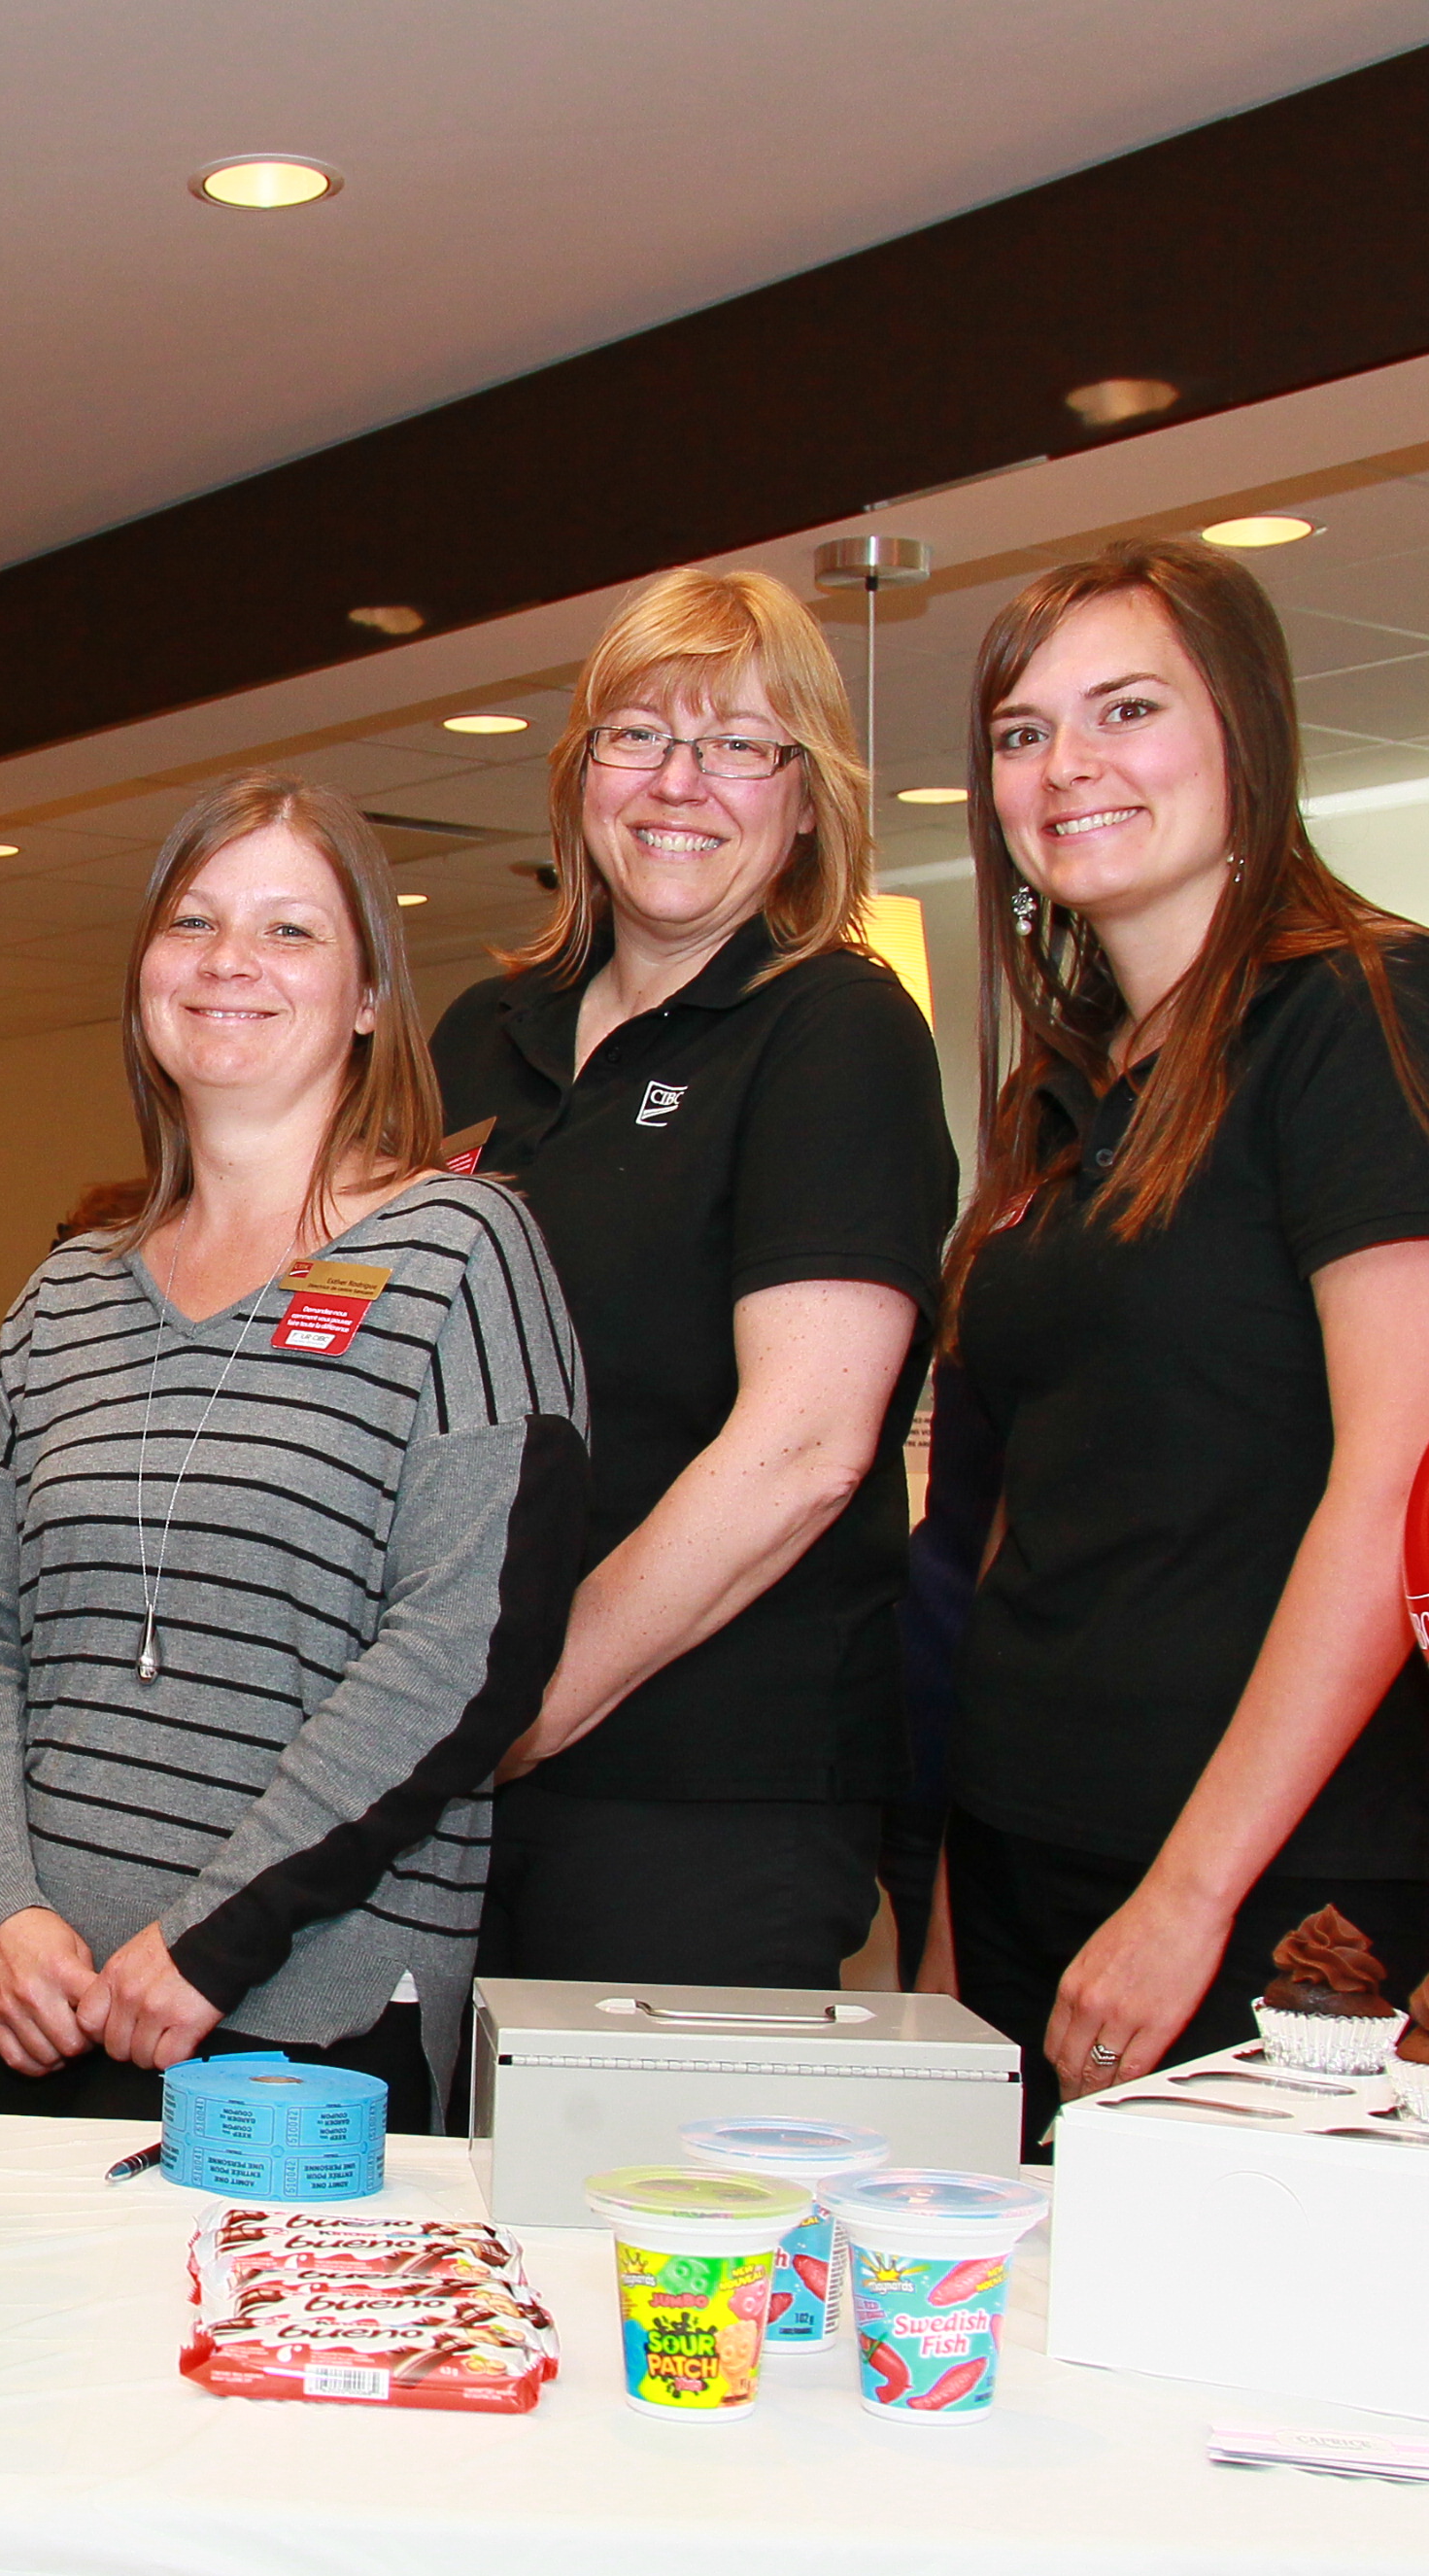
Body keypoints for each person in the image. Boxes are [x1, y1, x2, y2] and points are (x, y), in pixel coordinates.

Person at [937, 537, 1429, 2145]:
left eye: (1125, 708)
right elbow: (1030, 1510)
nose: (1069, 766)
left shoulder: (1378, 1011)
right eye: (1022, 732)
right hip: (1028, 1842)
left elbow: (1403, 1477)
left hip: (1294, 1879)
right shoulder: (1064, 1092)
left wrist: (1190, 1892)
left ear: (1247, 734)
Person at [0, 772, 590, 2134]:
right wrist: (2, 1910)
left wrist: (219, 1939)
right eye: (194, 922)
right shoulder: (67, 1295)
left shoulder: (463, 1253)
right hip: (39, 2015)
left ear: (372, 995)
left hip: (305, 2023)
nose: (230, 964)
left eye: (290, 932)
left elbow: (467, 1651)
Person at [426, 569, 954, 1990]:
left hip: (705, 1786)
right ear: (579, 774)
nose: (680, 782)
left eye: (739, 745)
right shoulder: (485, 1033)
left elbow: (801, 1451)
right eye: (639, 735)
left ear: (806, 799)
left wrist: (522, 1707)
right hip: (453, 1766)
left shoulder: (833, 1031)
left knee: (639, 2208)